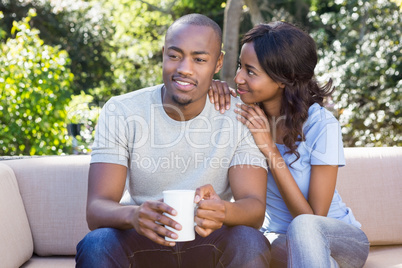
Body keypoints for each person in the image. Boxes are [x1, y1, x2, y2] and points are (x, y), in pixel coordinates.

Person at [75, 14, 271, 267]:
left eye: (199, 59)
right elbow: (96, 209)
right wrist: (135, 215)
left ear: (218, 62)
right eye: (174, 55)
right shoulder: (122, 111)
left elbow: (254, 208)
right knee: (97, 242)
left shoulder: (240, 115)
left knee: (249, 240)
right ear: (163, 54)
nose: (184, 69)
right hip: (141, 238)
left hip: (207, 239)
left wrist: (223, 210)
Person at [209, 22, 370, 267]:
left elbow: (313, 219)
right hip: (277, 241)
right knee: (254, 245)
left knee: (304, 228)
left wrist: (270, 150)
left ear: (284, 79)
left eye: (251, 72)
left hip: (338, 238)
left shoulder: (320, 124)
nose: (238, 77)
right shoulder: (245, 116)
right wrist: (211, 88)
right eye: (241, 66)